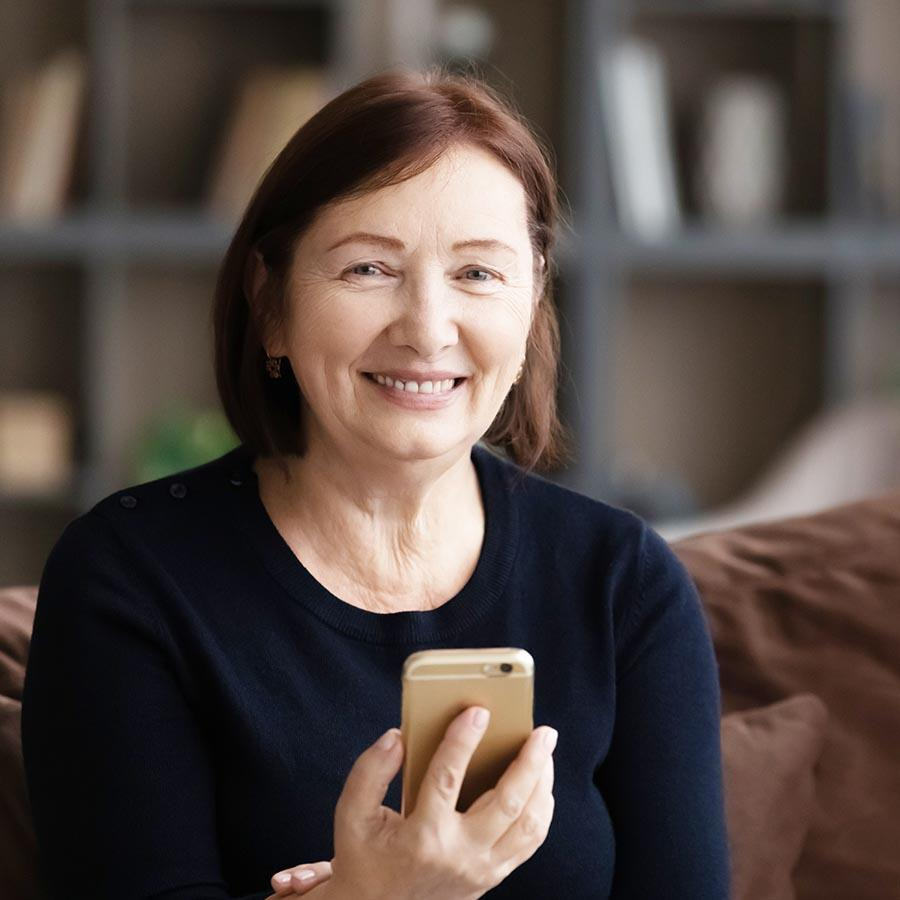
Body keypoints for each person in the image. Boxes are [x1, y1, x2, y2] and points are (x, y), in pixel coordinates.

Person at [21, 66, 730, 899]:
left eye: (477, 274)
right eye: (368, 269)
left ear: (534, 300)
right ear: (271, 302)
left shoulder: (623, 581)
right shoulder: (130, 577)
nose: (428, 329)